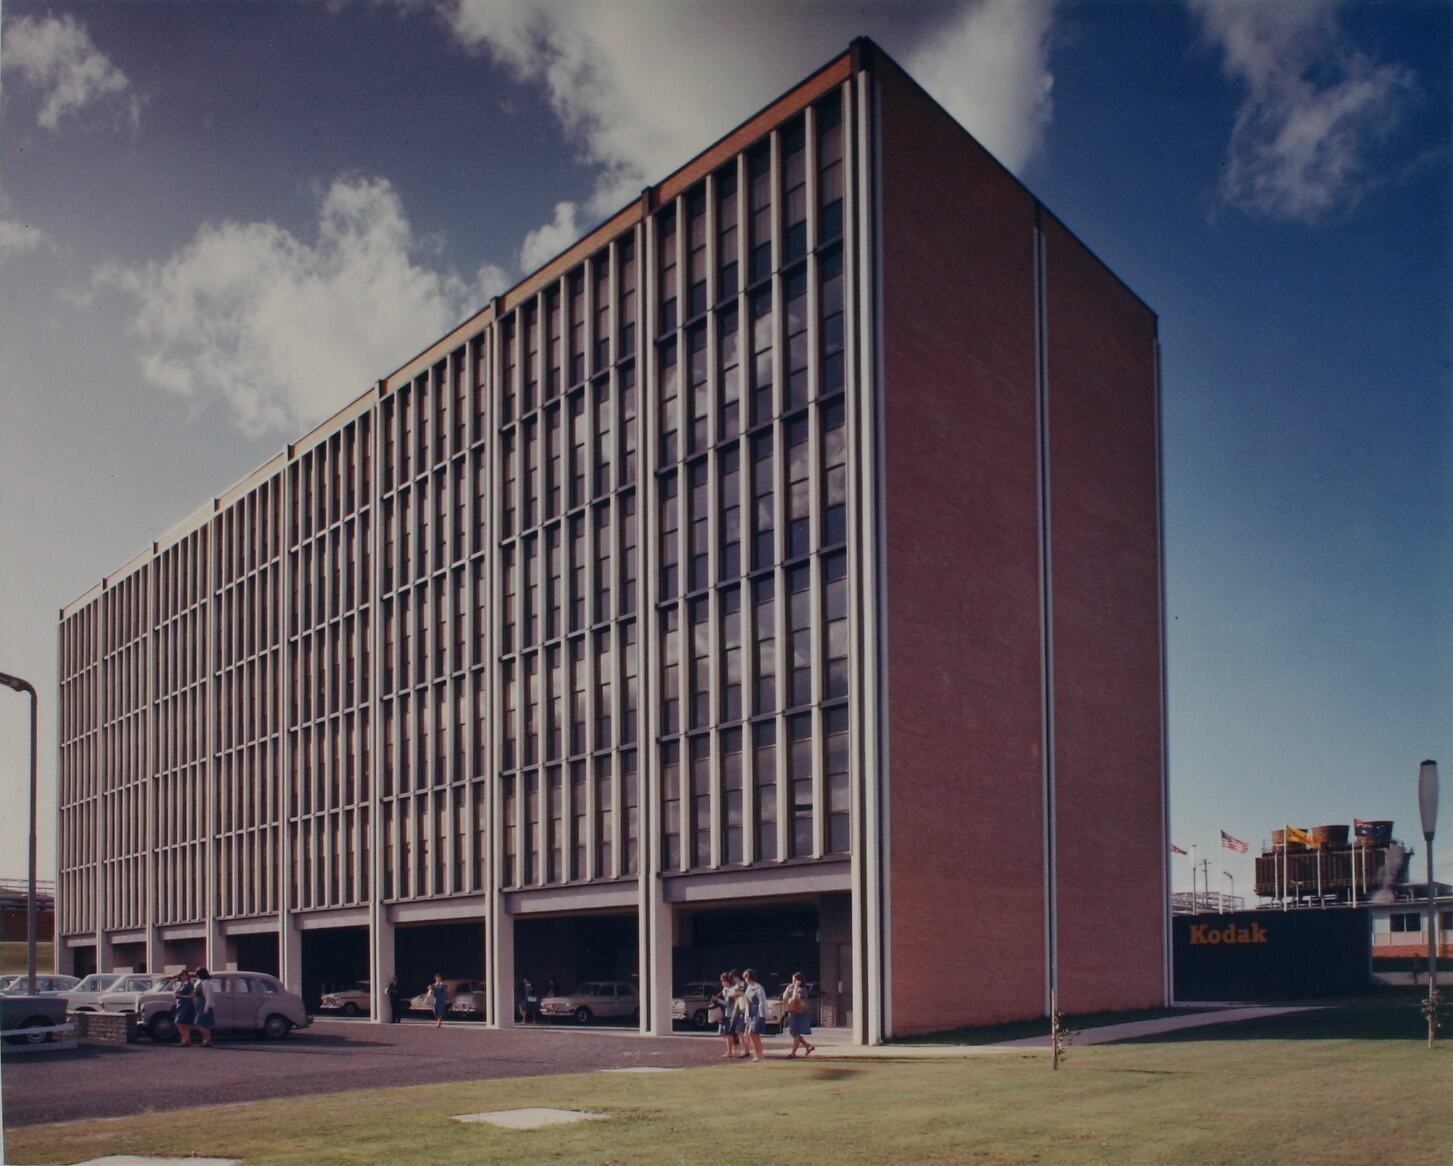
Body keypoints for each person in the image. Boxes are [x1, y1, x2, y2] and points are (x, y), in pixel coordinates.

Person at [782, 972, 815, 1057]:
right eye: (792, 980)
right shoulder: (792, 988)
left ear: (799, 981)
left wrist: (796, 987)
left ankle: (793, 1053)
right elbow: (784, 998)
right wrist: (787, 988)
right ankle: (808, 1046)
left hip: (798, 1013)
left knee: (796, 1033)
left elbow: (794, 999)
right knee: (794, 1033)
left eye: (794, 980)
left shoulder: (802, 990)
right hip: (791, 1012)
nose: (793, 982)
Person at [740, 968, 769, 1062]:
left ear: (749, 977)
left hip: (758, 1012)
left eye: (745, 977)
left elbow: (763, 1001)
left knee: (752, 1033)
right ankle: (759, 1053)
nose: (745, 979)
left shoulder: (758, 987)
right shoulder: (748, 988)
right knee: (754, 1034)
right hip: (751, 1012)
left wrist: (765, 1014)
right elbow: (748, 1001)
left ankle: (757, 1054)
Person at [711, 972, 739, 1059]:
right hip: (728, 1014)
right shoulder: (725, 990)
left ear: (727, 981)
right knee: (728, 1033)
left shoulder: (731, 990)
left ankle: (730, 1052)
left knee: (728, 1034)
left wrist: (717, 1000)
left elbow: (728, 1004)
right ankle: (732, 1050)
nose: (722, 983)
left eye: (723, 981)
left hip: (731, 1014)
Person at [193, 967, 217, 1047]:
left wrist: (206, 1007)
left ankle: (206, 1040)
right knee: (204, 1025)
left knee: (199, 1023)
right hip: (199, 1003)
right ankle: (207, 1040)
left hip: (204, 1003)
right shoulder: (199, 982)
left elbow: (208, 996)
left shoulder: (206, 983)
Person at [173, 969, 196, 1047]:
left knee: (181, 1022)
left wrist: (181, 996)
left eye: (184, 975)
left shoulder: (189, 984)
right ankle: (186, 1040)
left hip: (187, 1004)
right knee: (180, 1023)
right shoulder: (180, 984)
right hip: (180, 1004)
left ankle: (185, 1040)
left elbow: (192, 995)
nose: (183, 976)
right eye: (181, 975)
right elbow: (175, 994)